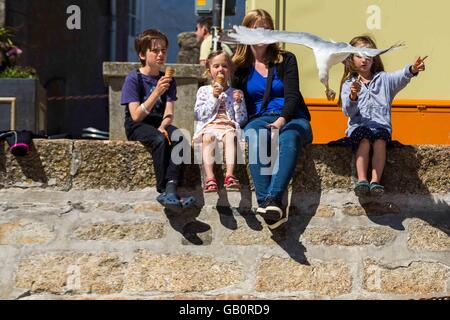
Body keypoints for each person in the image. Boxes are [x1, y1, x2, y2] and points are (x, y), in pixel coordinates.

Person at [232, 9, 313, 229]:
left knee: (289, 138)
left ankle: (274, 199)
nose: (263, 34)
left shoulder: (286, 59)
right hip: (258, 119)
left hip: (291, 117)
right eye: (257, 29)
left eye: (267, 29)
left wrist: (281, 121)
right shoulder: (239, 67)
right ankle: (266, 204)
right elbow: (235, 106)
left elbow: (292, 96)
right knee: (256, 137)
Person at [339, 35, 427, 197]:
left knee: (380, 141)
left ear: (374, 59)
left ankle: (375, 181)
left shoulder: (384, 80)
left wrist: (412, 69)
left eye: (369, 56)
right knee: (364, 141)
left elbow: (401, 76)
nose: (364, 60)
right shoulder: (348, 84)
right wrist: (353, 96)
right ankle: (362, 179)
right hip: (358, 127)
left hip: (380, 126)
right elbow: (348, 112)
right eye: (359, 56)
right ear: (351, 59)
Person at [120, 29, 195, 210]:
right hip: (137, 124)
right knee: (159, 140)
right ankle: (163, 190)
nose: (161, 54)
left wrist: (164, 124)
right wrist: (156, 92)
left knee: (180, 138)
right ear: (142, 54)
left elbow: (169, 111)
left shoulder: (168, 79)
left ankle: (172, 188)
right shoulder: (134, 79)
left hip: (157, 122)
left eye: (163, 50)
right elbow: (136, 115)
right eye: (155, 50)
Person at [194, 50, 248, 193]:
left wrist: (237, 103)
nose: (220, 70)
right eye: (216, 66)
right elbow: (199, 114)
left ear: (230, 70)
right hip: (209, 126)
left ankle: (230, 175)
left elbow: (241, 120)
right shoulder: (204, 91)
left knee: (231, 136)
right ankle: (210, 178)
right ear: (209, 70)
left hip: (228, 127)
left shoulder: (237, 92)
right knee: (208, 138)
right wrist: (213, 97)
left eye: (224, 66)